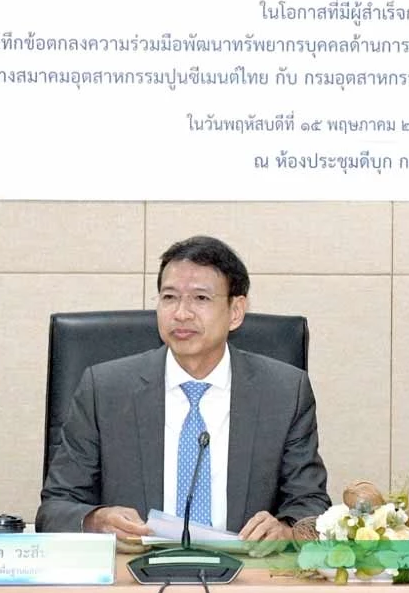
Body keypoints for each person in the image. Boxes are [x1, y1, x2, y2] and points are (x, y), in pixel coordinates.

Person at [37, 235, 330, 551]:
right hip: (134, 573)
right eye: (169, 297)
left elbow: (311, 506)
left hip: (245, 572)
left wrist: (285, 531)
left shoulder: (284, 392)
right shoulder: (105, 390)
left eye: (200, 298)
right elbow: (56, 508)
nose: (181, 313)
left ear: (236, 311)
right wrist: (97, 521)